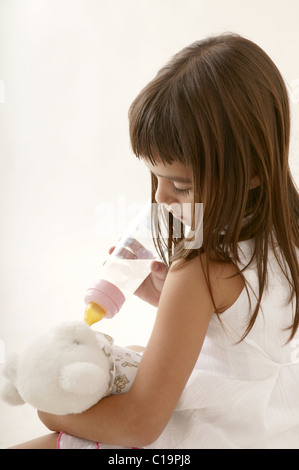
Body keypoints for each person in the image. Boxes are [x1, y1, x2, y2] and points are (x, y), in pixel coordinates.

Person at [11, 32, 299, 449]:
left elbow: (138, 425)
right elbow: (250, 340)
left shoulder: (201, 267)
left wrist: (50, 409)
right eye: (156, 177)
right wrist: (174, 305)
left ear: (251, 172)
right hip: (264, 423)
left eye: (180, 185)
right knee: (129, 350)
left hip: (203, 435)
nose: (161, 197)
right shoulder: (286, 232)